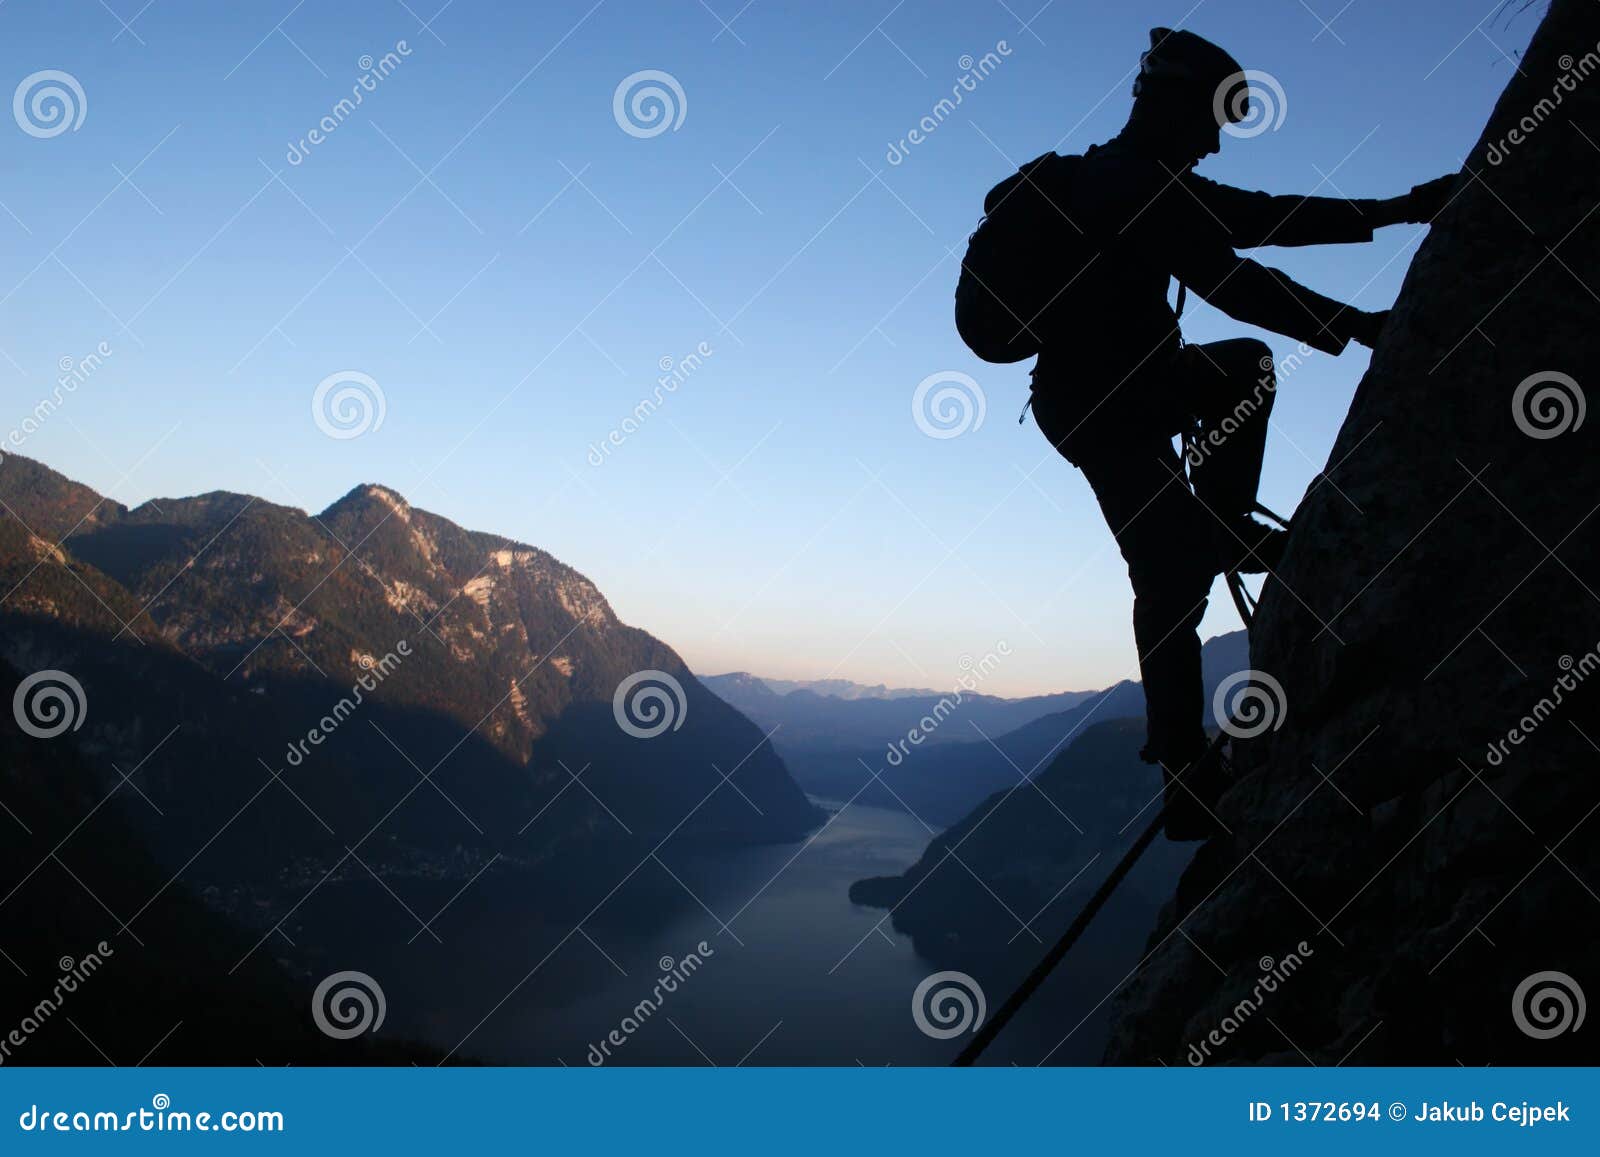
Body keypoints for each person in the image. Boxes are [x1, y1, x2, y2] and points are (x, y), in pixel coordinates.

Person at [1026, 28, 1453, 839]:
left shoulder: (1130, 179)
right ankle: (1187, 769)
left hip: (1104, 398)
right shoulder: (1132, 188)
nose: (1218, 140)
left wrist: (1397, 211)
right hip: (1114, 407)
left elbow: (1263, 219)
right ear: (1181, 110)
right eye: (1216, 120)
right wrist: (1357, 325)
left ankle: (1219, 539)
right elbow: (1233, 279)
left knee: (1181, 538)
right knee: (1171, 566)